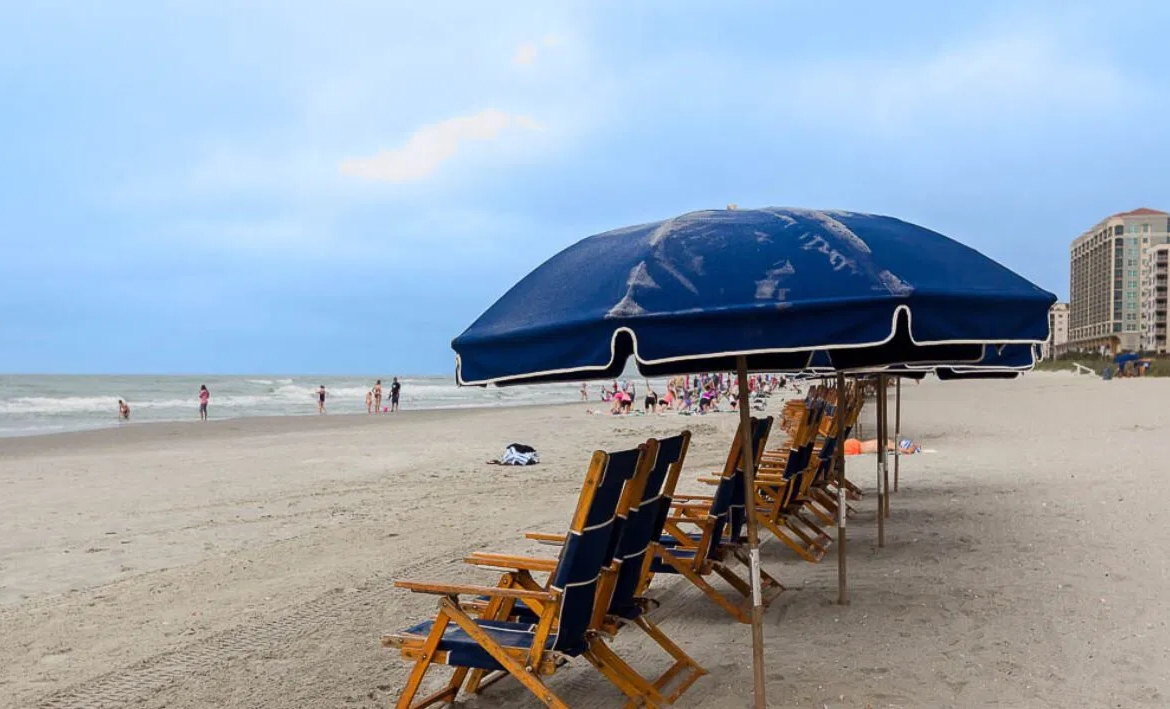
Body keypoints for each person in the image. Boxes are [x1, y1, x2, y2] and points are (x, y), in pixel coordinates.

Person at [843, 438, 920, 456]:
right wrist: (907, 451)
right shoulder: (889, 443)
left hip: (855, 446)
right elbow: (896, 448)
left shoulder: (887, 442)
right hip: (854, 448)